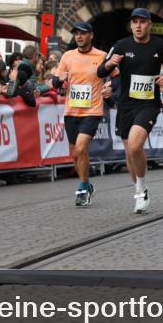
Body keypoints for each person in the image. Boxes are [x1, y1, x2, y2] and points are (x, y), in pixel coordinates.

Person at [98, 8, 163, 214]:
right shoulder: (121, 45)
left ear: (149, 24)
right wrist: (110, 63)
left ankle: (142, 190)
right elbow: (100, 71)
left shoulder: (160, 45)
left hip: (149, 104)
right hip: (126, 105)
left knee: (135, 147)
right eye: (135, 22)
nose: (139, 26)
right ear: (131, 25)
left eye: (142, 22)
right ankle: (139, 190)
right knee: (129, 152)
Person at [51, 23, 107, 207]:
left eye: (83, 34)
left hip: (93, 110)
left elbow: (115, 75)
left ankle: (83, 187)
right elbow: (55, 81)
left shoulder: (101, 56)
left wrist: (110, 88)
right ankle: (87, 183)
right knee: (75, 154)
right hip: (71, 110)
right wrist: (60, 81)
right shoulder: (68, 56)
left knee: (81, 149)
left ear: (91, 35)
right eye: (77, 34)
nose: (79, 37)